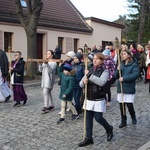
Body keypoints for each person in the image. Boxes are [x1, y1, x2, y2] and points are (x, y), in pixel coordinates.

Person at [78, 53, 113, 147]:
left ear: (101, 60)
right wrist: (83, 82)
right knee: (88, 119)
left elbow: (101, 82)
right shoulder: (89, 69)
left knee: (98, 118)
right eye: (94, 58)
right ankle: (89, 138)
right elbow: (80, 84)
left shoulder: (104, 71)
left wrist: (89, 76)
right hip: (89, 98)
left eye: (97, 59)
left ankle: (109, 128)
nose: (95, 60)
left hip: (98, 98)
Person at [115, 49, 139, 128]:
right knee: (122, 105)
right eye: (122, 54)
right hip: (121, 87)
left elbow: (135, 75)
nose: (122, 55)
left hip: (128, 87)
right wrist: (118, 71)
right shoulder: (120, 64)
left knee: (129, 104)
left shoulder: (133, 64)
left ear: (129, 55)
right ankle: (123, 120)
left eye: (124, 54)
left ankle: (133, 116)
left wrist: (124, 78)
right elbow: (116, 76)